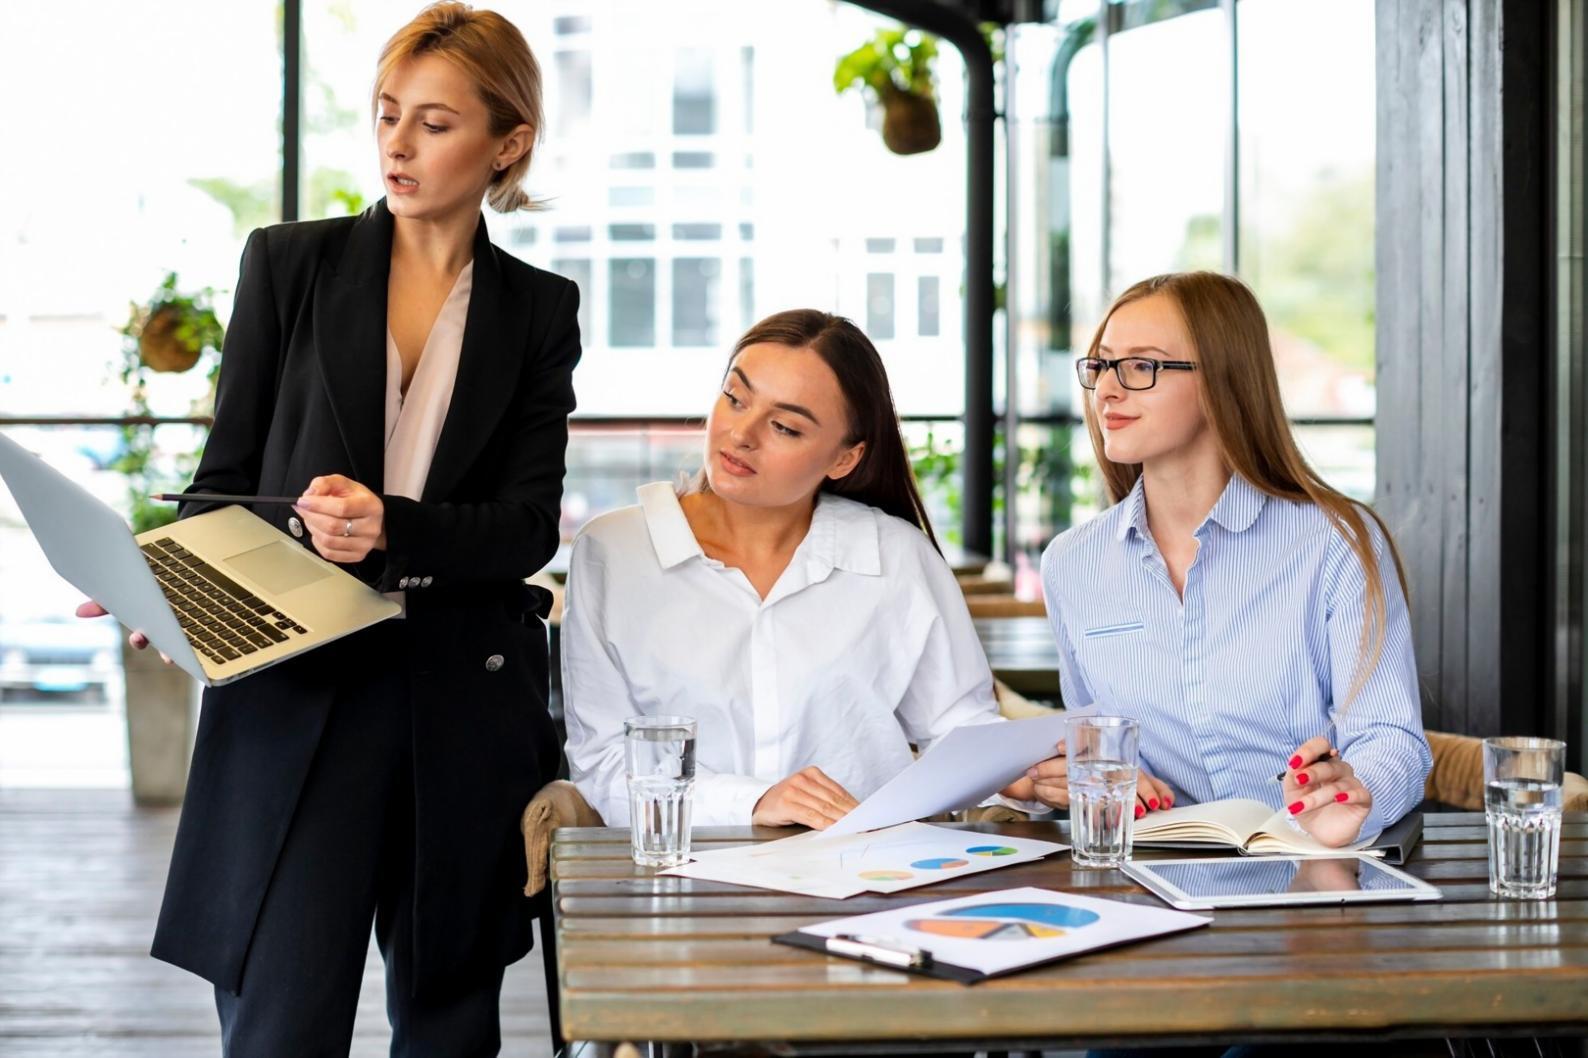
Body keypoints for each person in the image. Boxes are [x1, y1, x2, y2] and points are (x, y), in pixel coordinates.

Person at [77, 4, 579, 1053]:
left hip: (459, 698)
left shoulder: (538, 309)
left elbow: (527, 525)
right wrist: (174, 585)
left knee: (447, 1023)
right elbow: (225, 483)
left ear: (508, 140)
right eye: (389, 114)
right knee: (280, 1022)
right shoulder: (289, 266)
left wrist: (390, 527)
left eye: (435, 123)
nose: (398, 144)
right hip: (300, 686)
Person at [561, 310, 1056, 829]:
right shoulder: (613, 552)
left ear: (844, 459)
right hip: (681, 879)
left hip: (865, 877)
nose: (741, 434)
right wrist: (754, 802)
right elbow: (604, 766)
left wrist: (1014, 774)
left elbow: (957, 726)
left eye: (785, 426)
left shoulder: (895, 556)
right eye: (735, 398)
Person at [1028, 272, 1430, 849]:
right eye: (1101, 365)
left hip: (1307, 880)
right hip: (1147, 884)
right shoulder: (1072, 563)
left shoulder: (1334, 541)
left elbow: (1392, 739)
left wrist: (1354, 795)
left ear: (1222, 381)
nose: (1107, 391)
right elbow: (1093, 740)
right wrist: (1088, 774)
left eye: (1141, 366)